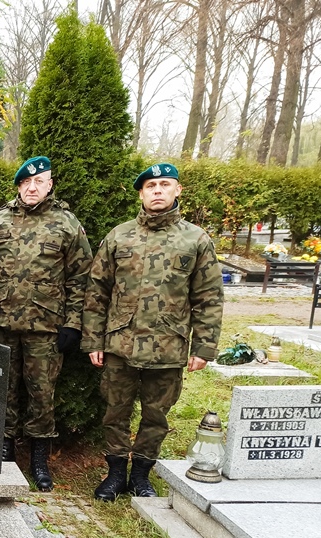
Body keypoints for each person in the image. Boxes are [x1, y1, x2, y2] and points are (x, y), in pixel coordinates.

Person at [84, 162, 223, 500]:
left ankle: (142, 474)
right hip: (120, 343)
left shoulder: (195, 239)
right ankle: (116, 474)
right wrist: (92, 339)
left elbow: (208, 296)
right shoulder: (120, 235)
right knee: (115, 411)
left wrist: (204, 347)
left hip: (168, 345)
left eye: (164, 184)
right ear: (141, 193)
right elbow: (96, 290)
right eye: (150, 186)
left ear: (177, 190)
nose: (157, 191)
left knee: (156, 415)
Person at [0, 156, 92, 490]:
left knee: (42, 392)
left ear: (50, 184)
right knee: (1, 388)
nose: (31, 187)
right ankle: (3, 448)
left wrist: (73, 324)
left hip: (46, 326)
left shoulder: (66, 224)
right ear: (19, 185)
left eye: (39, 182)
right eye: (25, 182)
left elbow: (81, 278)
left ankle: (39, 457)